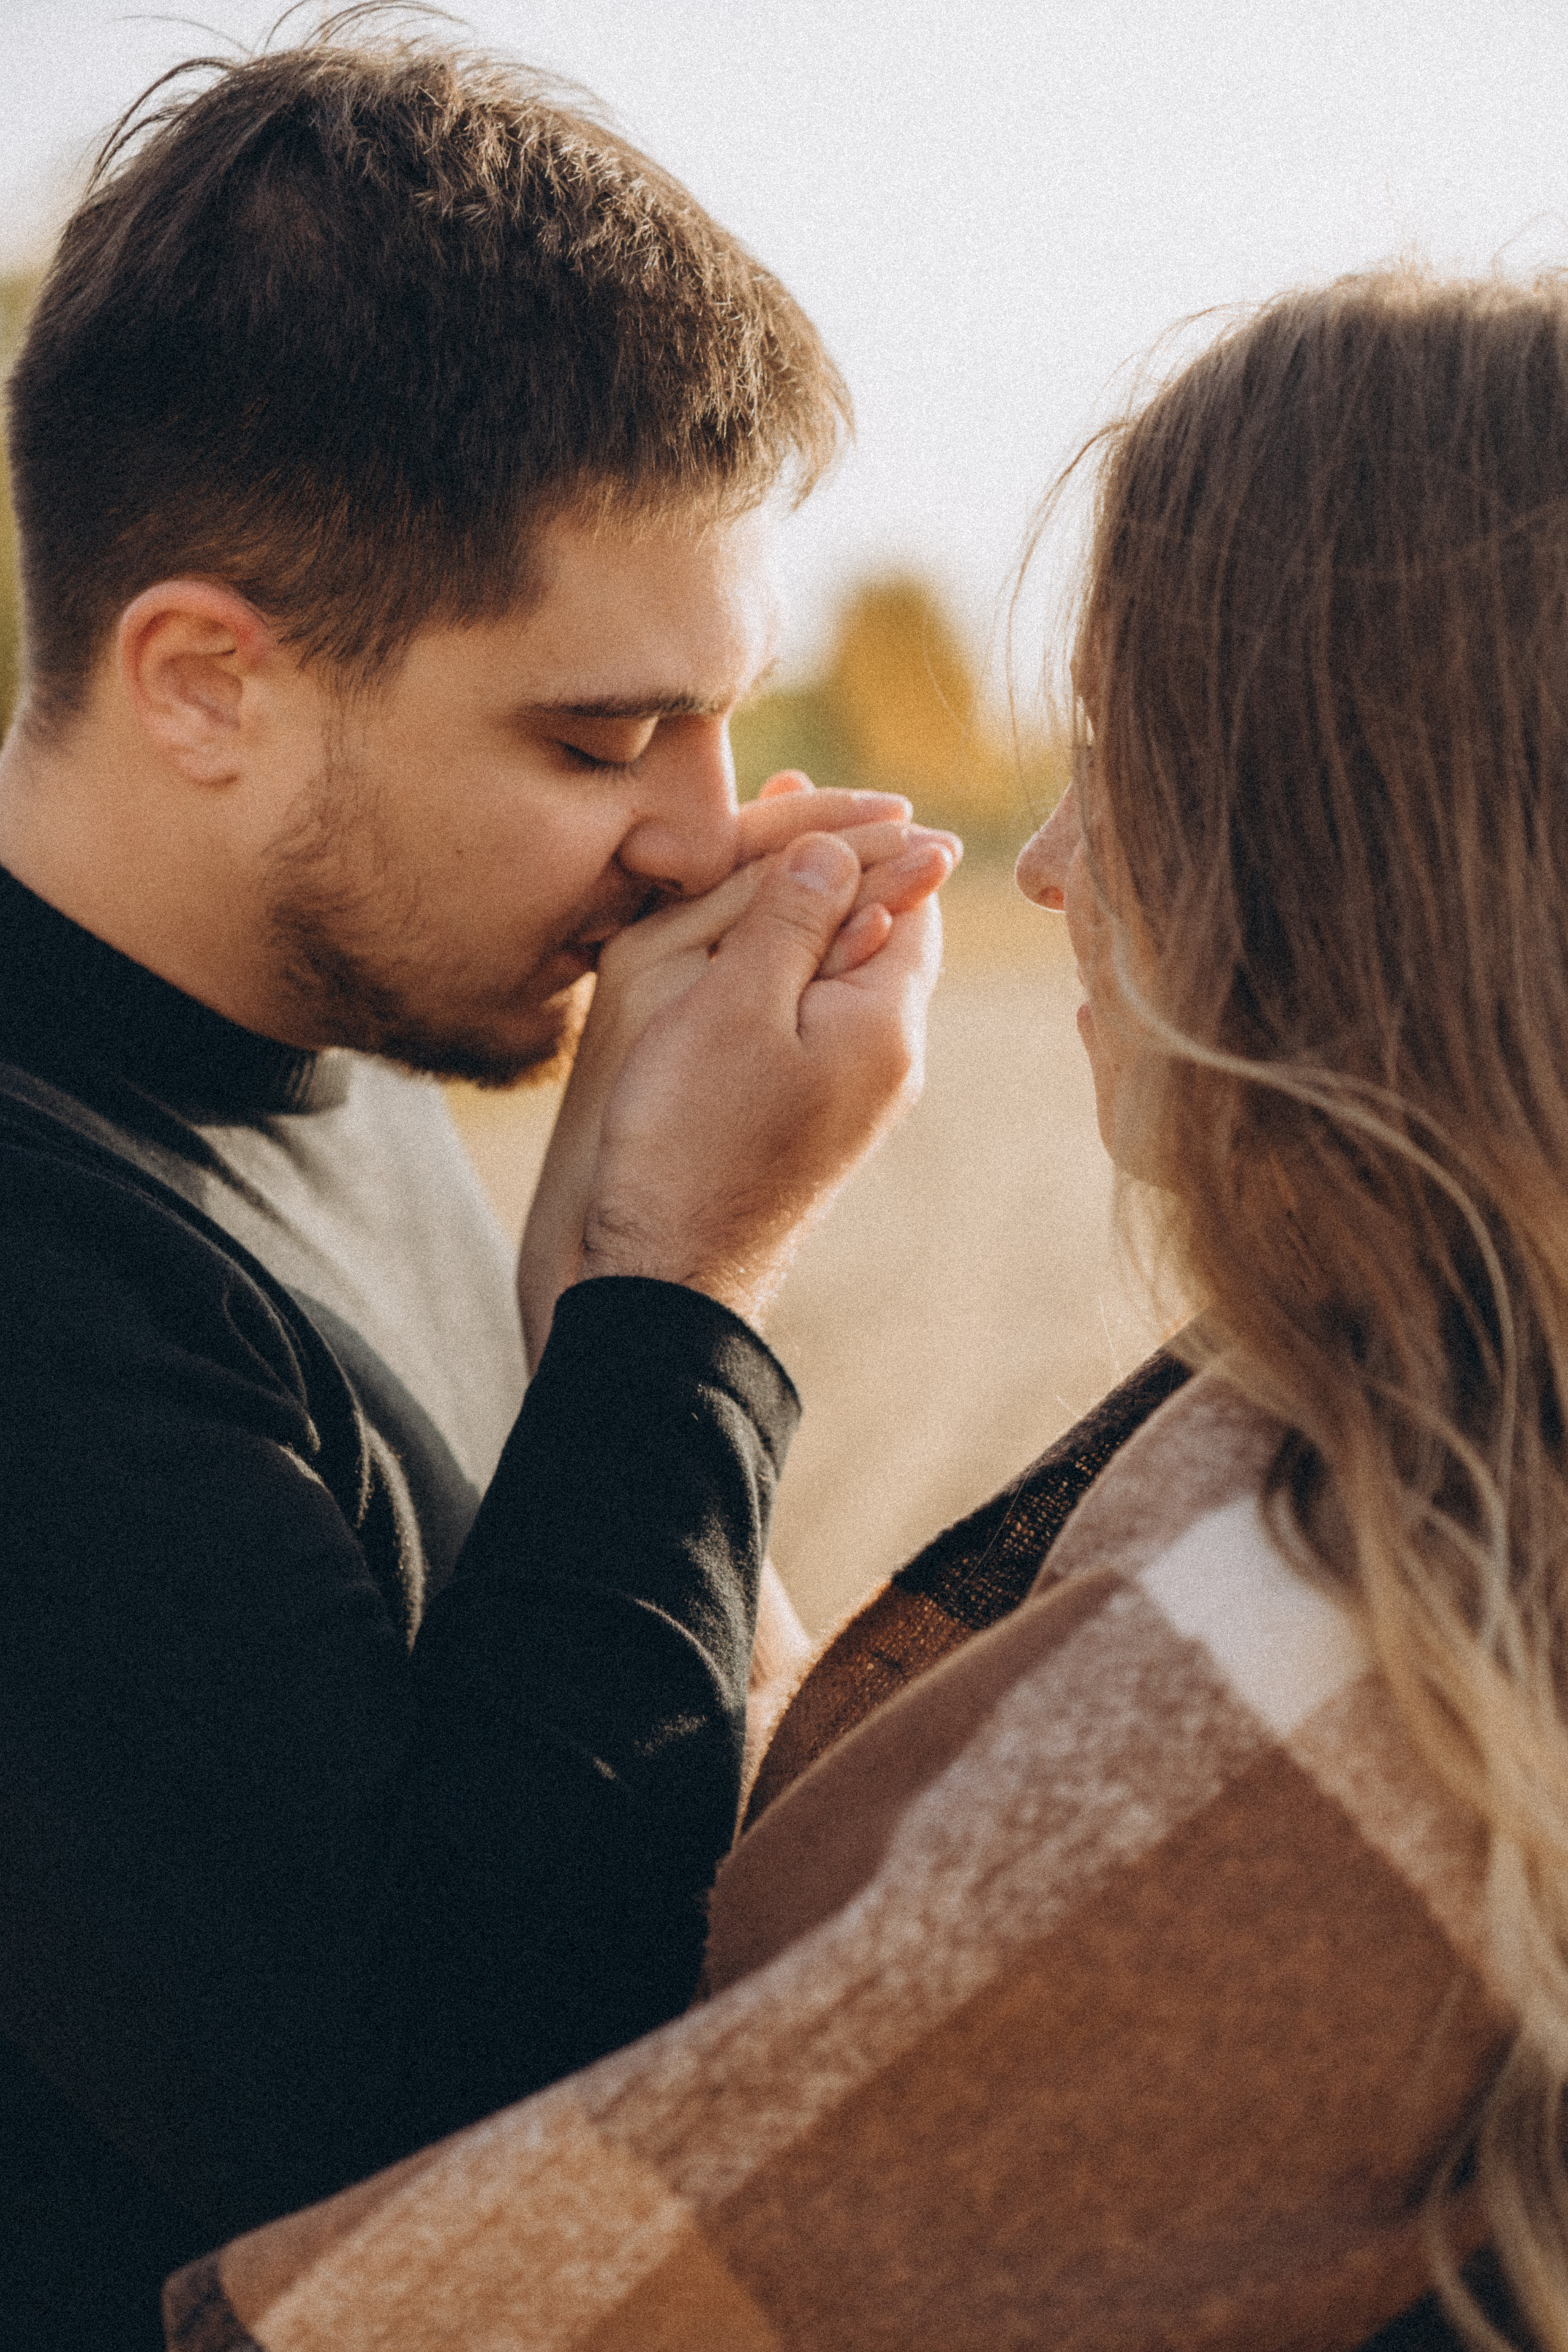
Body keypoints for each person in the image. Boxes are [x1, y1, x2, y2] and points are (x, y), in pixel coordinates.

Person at [170, 263, 1568, 2352]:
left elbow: (485, 2290)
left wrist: (670, 1295)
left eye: (1138, 762)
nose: (1054, 861)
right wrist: (638, 1317)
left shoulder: (1325, 1697)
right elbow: (891, 1880)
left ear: (1341, 858)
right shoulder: (1377, 1485)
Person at [0, 28, 962, 2350]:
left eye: (719, 717)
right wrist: (672, 1306)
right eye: (597, 737)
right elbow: (457, 2153)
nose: (703, 830)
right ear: (209, 682)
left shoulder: (340, 1052)